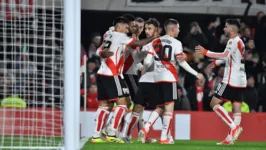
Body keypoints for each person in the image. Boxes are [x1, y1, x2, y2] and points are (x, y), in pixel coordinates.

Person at [91, 16, 156, 143]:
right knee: (124, 103)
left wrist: (101, 54)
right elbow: (139, 43)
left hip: (102, 74)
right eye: (126, 26)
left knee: (105, 105)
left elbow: (99, 50)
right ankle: (112, 132)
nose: (127, 29)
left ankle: (96, 135)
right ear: (120, 27)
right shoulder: (120, 36)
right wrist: (154, 37)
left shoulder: (107, 34)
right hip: (113, 74)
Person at [139, 19, 203, 144]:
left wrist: (145, 70)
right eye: (178, 28)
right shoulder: (176, 43)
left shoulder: (155, 41)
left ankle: (146, 128)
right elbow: (182, 62)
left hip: (157, 79)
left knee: (159, 107)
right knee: (169, 108)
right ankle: (163, 138)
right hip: (169, 77)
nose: (179, 30)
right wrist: (196, 73)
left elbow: (146, 62)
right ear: (173, 29)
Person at [195, 19, 246, 145]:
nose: (224, 29)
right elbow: (230, 58)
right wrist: (216, 63)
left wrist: (206, 52)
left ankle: (234, 127)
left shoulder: (232, 41)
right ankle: (230, 139)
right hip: (241, 79)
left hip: (230, 80)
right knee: (236, 108)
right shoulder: (240, 41)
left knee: (214, 103)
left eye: (226, 27)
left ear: (232, 29)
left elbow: (224, 55)